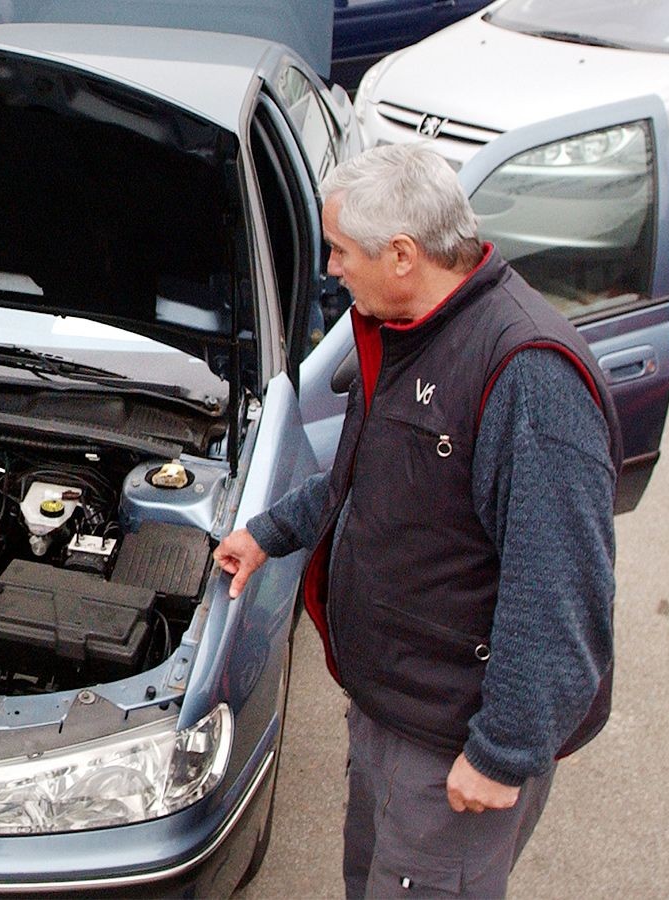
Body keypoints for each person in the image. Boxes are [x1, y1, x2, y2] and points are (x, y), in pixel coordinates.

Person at [215, 144, 620, 898]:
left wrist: (503, 752)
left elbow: (559, 589)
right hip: (389, 707)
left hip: (452, 744)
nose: (331, 269)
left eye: (340, 251)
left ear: (402, 254)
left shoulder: (527, 373)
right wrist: (268, 535)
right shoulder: (408, 328)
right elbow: (366, 477)